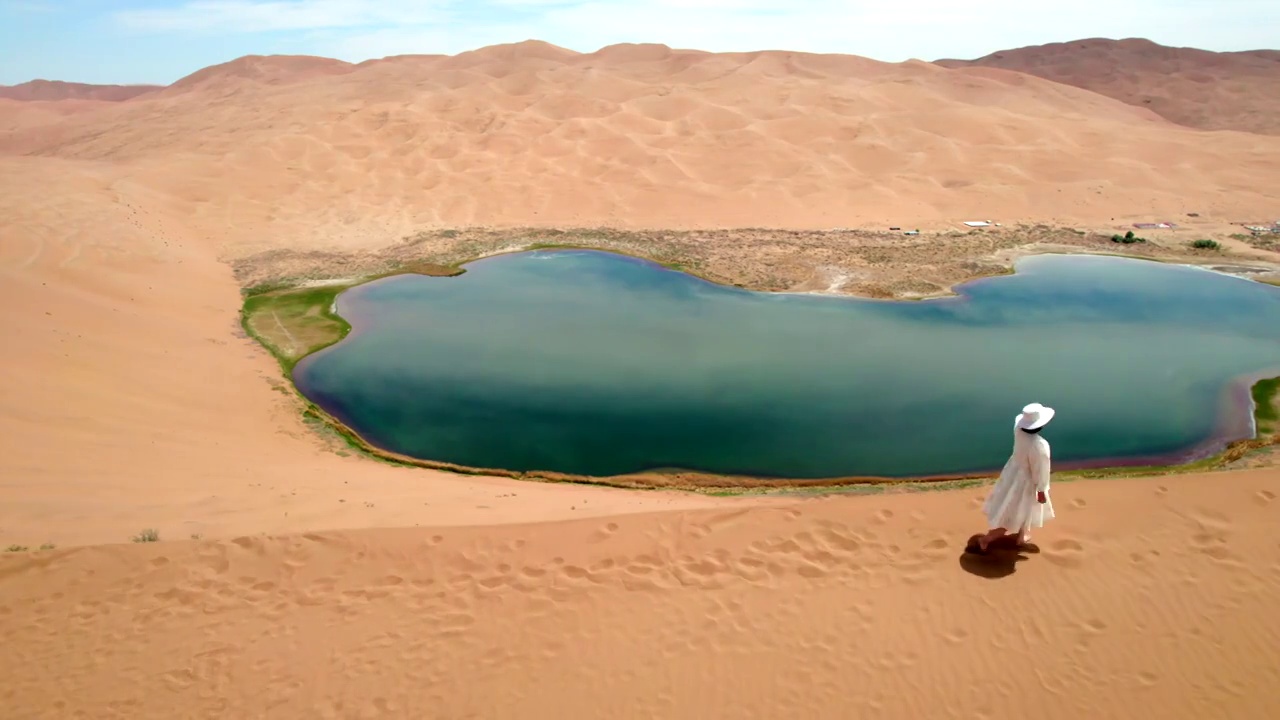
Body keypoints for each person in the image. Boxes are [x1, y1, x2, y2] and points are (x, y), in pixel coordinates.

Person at [977, 402, 1056, 552]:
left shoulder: (1018, 430)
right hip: (1024, 482)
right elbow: (1041, 470)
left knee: (1023, 509)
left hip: (1013, 473)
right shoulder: (1039, 446)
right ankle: (985, 540)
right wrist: (1041, 490)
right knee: (1012, 514)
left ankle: (1022, 535)